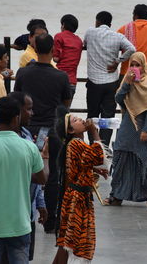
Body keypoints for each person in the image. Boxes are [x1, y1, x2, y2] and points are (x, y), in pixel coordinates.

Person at [0, 96, 48, 264]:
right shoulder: (29, 147)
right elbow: (42, 179)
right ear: (16, 118)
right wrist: (45, 157)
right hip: (20, 225)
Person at [14, 33, 71, 233]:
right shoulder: (61, 76)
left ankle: (23, 214)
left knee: (24, 173)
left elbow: (17, 99)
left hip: (27, 131)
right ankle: (51, 221)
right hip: (52, 131)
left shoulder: (22, 73)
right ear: (53, 50)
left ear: (35, 49)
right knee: (53, 174)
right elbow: (65, 104)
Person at [104, 52, 147, 208]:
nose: (135, 68)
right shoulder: (127, 80)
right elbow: (118, 100)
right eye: (132, 65)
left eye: (138, 65)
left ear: (144, 66)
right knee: (120, 159)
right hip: (127, 125)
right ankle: (116, 195)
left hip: (143, 127)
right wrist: (127, 84)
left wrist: (146, 130)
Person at [52, 108, 107, 264]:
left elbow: (83, 163)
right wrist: (94, 132)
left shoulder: (76, 144)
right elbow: (98, 156)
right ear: (70, 130)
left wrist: (95, 170)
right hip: (78, 200)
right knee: (72, 241)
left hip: (75, 197)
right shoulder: (76, 144)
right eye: (75, 120)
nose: (81, 120)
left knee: (66, 241)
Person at [83, 11, 135, 146]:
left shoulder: (90, 32)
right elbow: (132, 49)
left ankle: (93, 144)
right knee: (108, 116)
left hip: (94, 82)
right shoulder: (118, 36)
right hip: (111, 82)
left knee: (92, 114)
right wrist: (118, 61)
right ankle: (104, 147)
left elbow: (84, 43)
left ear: (97, 21)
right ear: (110, 24)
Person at [8, 91, 48, 262]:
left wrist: (40, 204)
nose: (32, 114)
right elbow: (40, 177)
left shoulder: (27, 139)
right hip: (6, 216)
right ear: (17, 112)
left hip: (27, 214)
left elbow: (36, 181)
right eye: (28, 109)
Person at [53, 14, 83, 101]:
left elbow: (56, 59)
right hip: (72, 82)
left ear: (63, 25)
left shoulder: (59, 36)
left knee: (53, 111)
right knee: (65, 112)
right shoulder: (79, 40)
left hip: (58, 79)